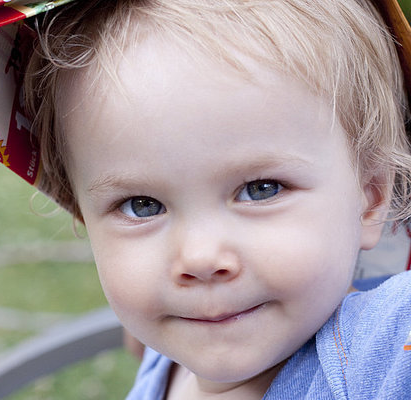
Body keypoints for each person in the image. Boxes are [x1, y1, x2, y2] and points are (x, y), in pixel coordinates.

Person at [23, 0, 411, 398]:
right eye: (143, 205)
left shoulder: (384, 348)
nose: (200, 258)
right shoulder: (166, 358)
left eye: (261, 189)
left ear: (371, 196)